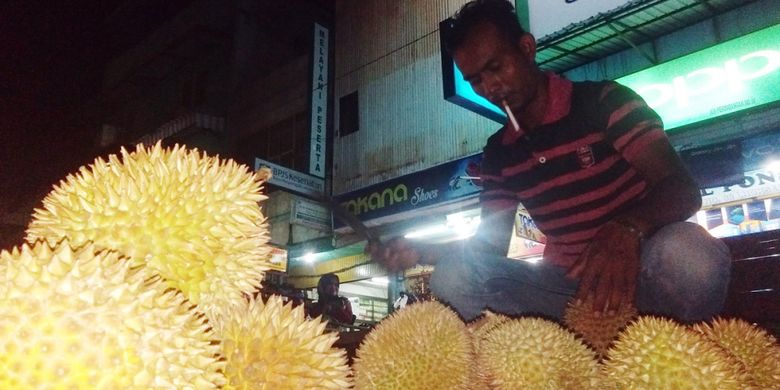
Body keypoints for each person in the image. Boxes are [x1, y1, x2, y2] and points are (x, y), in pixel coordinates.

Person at [367, 0, 731, 323]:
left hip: (646, 274)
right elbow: (488, 249)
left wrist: (628, 228)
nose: (489, 88)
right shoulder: (500, 154)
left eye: (496, 67)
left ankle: (679, 354)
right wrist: (418, 250)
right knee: (455, 275)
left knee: (690, 255)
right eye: (475, 80)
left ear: (526, 48)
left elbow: (682, 189)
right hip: (567, 293)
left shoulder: (605, 103)